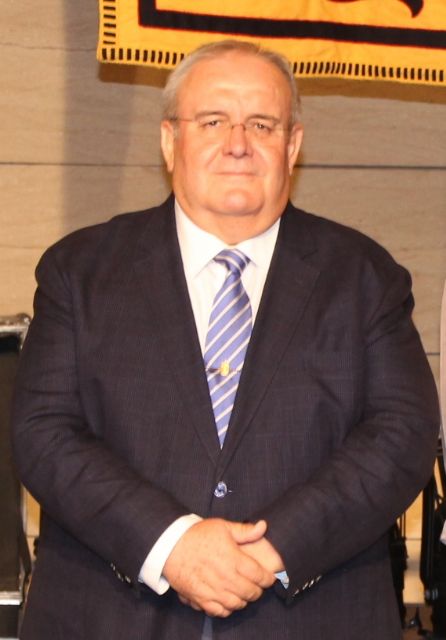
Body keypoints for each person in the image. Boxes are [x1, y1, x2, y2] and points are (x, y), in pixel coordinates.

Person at [12, 39, 439, 640]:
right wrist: (172, 545)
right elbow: (44, 433)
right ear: (170, 140)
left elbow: (402, 434)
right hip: (109, 617)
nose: (238, 142)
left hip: (313, 618)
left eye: (261, 124)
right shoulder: (79, 271)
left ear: (292, 145)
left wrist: (271, 552)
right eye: (212, 121)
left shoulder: (366, 278)